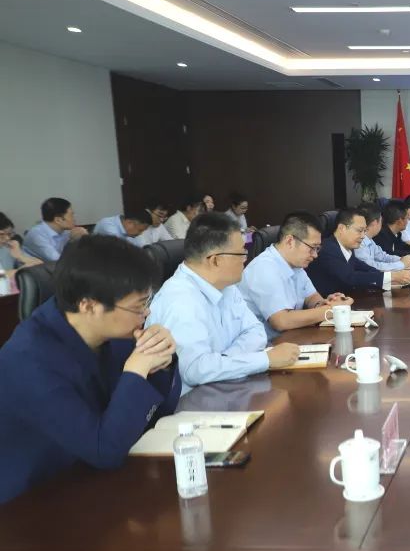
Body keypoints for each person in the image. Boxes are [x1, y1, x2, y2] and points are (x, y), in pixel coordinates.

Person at [0, 235, 180, 503]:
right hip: (36, 500)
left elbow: (158, 413)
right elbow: (104, 451)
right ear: (89, 306)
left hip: (97, 480)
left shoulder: (113, 330)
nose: (146, 314)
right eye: (138, 306)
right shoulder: (27, 361)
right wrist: (136, 372)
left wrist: (161, 360)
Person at [147, 212, 300, 394]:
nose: (246, 259)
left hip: (228, 388)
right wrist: (265, 360)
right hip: (194, 403)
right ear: (216, 260)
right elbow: (194, 370)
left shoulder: (226, 285)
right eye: (241, 253)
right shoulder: (180, 300)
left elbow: (256, 331)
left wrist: (224, 361)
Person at [239, 212, 353, 339]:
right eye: (312, 247)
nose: (315, 255)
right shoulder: (264, 268)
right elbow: (281, 321)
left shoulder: (295, 264)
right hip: (266, 346)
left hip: (291, 338)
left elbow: (311, 297)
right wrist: (332, 310)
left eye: (317, 248)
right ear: (290, 241)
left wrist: (325, 303)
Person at [307, 208, 410, 295]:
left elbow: (366, 268)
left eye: (364, 231)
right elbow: (350, 277)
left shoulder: (347, 248)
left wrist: (391, 279)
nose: (363, 236)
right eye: (359, 231)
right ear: (341, 228)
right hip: (326, 307)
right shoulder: (328, 249)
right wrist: (391, 276)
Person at [22, 197, 89, 261]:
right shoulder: (36, 235)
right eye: (71, 215)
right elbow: (57, 260)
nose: (74, 219)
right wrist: (72, 241)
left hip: (52, 267)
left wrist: (85, 239)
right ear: (58, 220)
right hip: (33, 268)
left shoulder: (65, 231)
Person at [355, 203, 410, 271]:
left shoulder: (369, 240)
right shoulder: (359, 242)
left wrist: (401, 259)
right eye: (381, 221)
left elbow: (382, 257)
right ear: (375, 222)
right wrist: (401, 264)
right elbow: (371, 267)